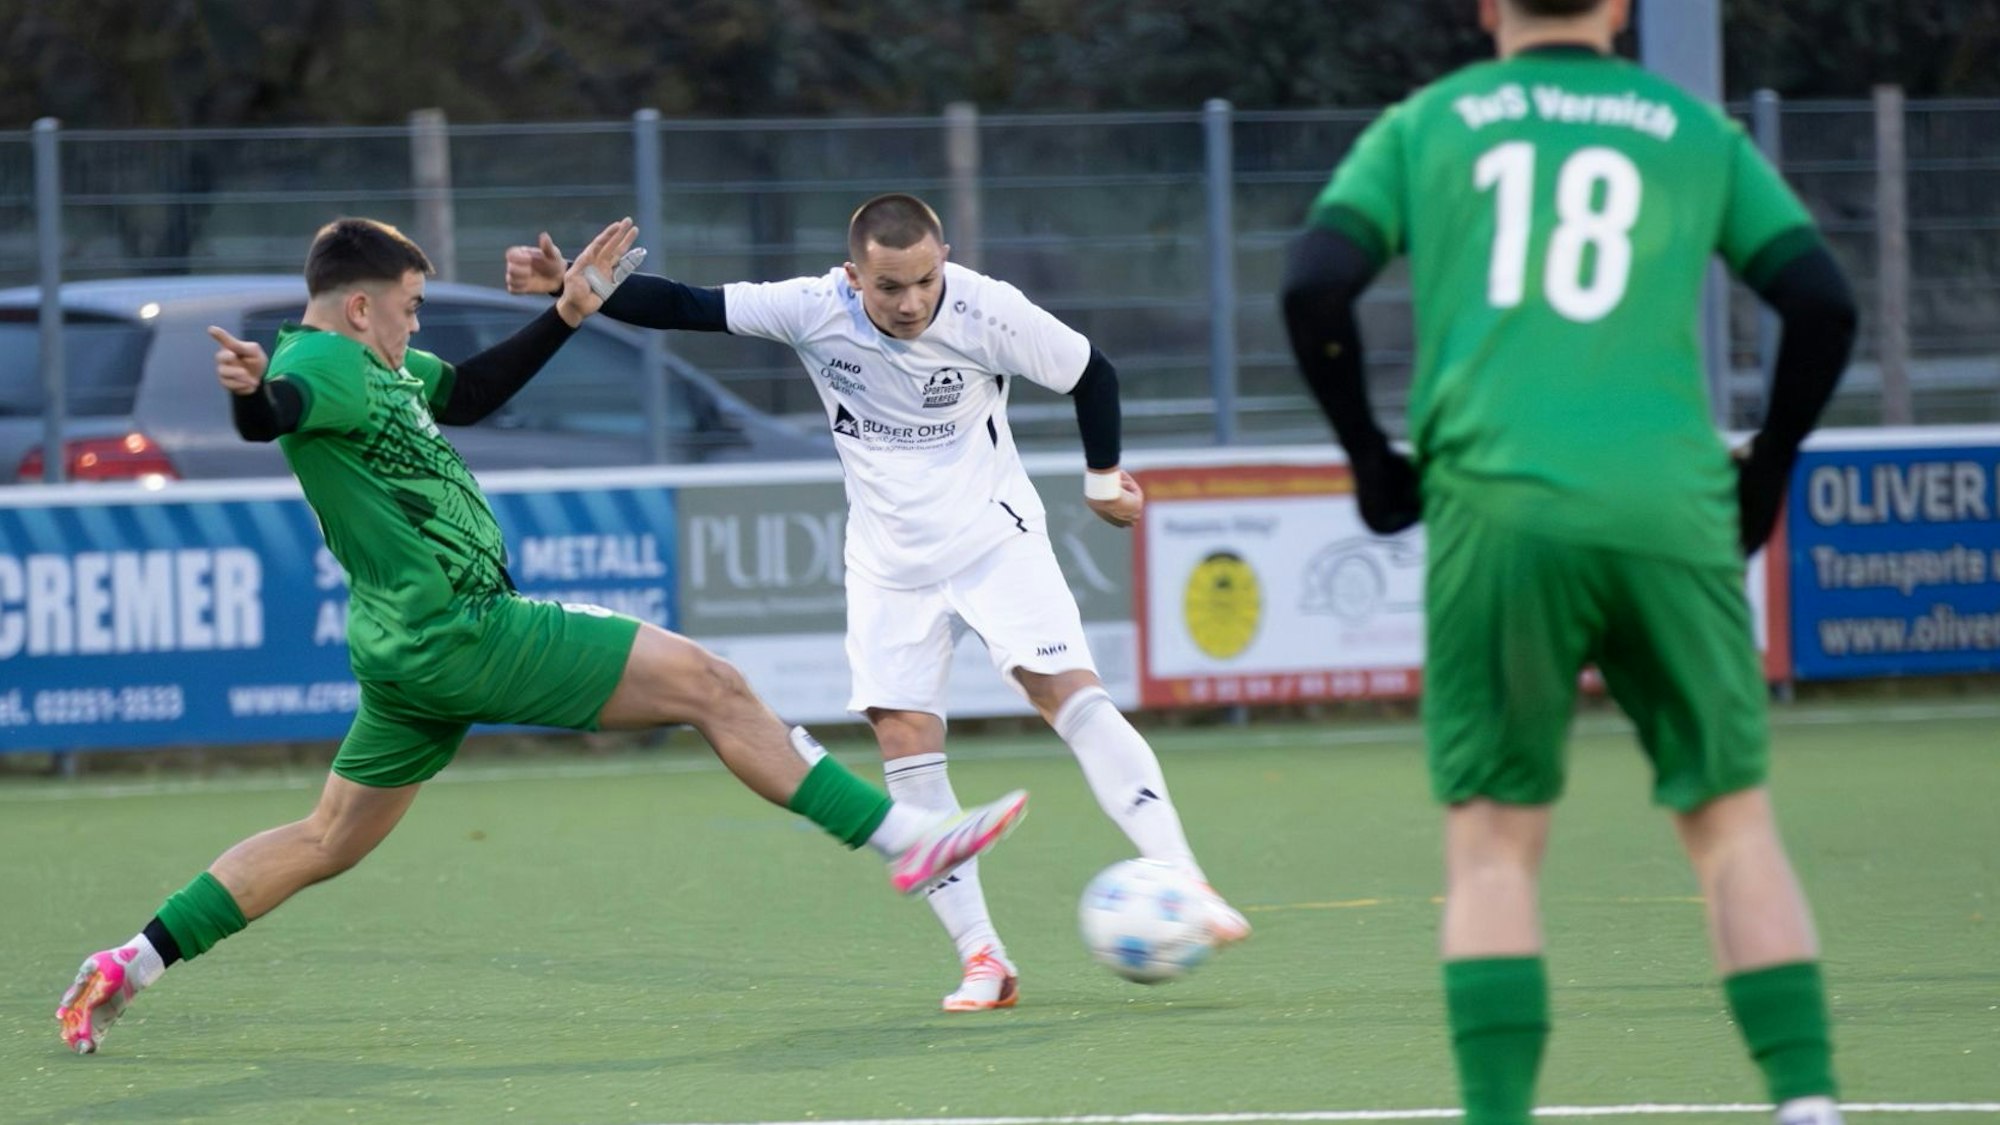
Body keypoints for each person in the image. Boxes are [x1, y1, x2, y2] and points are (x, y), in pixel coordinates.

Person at [55, 216, 1030, 1056]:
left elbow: (472, 394)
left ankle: (126, 963)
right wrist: (245, 393)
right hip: (463, 628)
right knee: (713, 686)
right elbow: (277, 417)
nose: (416, 318)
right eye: (410, 301)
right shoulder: (325, 366)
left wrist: (567, 312)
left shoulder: (382, 368)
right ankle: (906, 840)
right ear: (360, 307)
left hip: (405, 655)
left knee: (325, 840)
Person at [1281, 2, 1858, 1123]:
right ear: (1622, 6)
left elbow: (1312, 286)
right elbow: (1819, 303)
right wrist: (1769, 467)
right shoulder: (1690, 130)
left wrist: (1368, 455)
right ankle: (1804, 1104)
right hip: (1667, 508)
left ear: (1486, 5)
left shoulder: (1425, 125)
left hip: (1496, 507)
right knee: (1730, 825)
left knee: (1494, 846)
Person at [504, 193, 1251, 1012]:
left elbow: (1090, 373)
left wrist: (1104, 481)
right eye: (889, 286)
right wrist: (570, 290)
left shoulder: (985, 307)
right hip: (889, 564)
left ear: (944, 260)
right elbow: (689, 306)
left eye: (924, 280)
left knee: (1065, 690)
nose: (909, 302)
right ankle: (984, 960)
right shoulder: (813, 308)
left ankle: (1185, 879)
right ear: (855, 274)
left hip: (995, 540)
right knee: (903, 737)